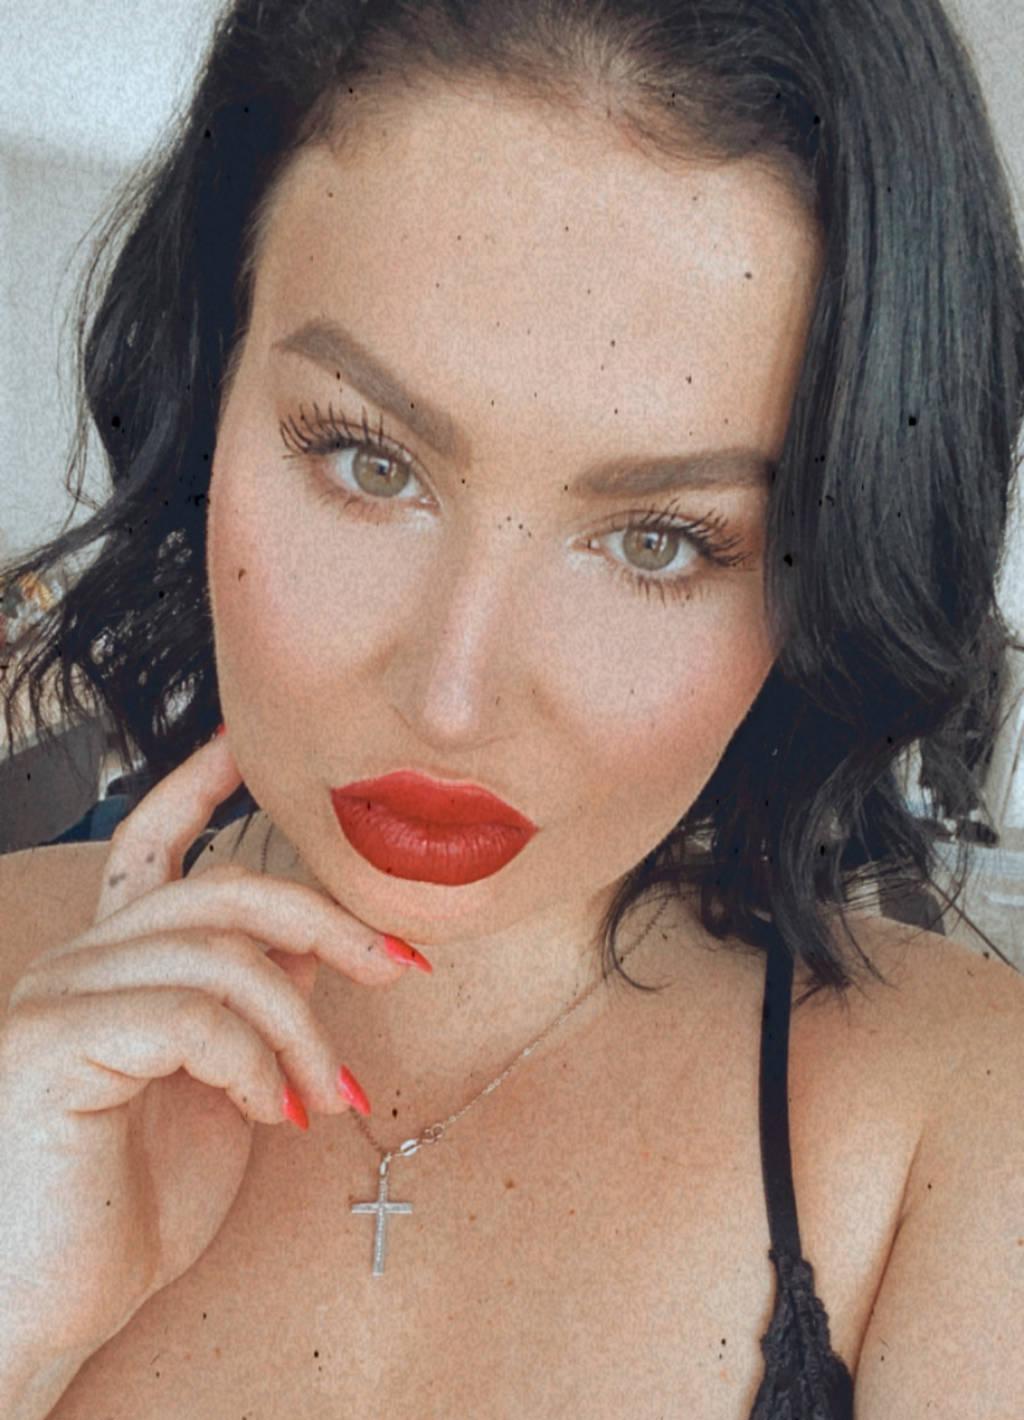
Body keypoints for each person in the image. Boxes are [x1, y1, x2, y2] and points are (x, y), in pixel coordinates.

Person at [1, 0, 1023, 1415]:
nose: (452, 699)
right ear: (205, 391)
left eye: (659, 540)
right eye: (366, 461)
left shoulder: (969, 1130)